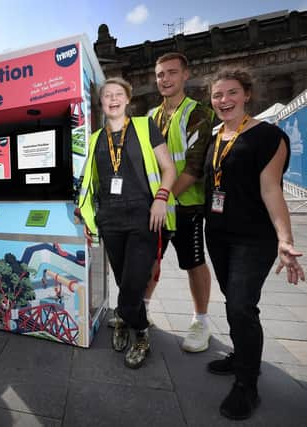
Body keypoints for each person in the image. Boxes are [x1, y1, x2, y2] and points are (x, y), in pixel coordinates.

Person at [204, 69, 304, 420]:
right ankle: (241, 355)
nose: (224, 100)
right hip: (217, 235)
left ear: (247, 94)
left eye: (231, 93)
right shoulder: (214, 137)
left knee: (242, 306)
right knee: (235, 301)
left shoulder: (269, 136)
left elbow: (271, 189)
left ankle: (247, 383)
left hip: (253, 238)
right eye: (217, 95)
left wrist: (285, 240)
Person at [78, 77, 176, 369]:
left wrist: (160, 198)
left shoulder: (146, 127)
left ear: (128, 99)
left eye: (118, 94)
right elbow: (90, 185)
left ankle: (140, 334)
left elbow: (169, 168)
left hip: (143, 218)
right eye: (107, 95)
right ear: (101, 103)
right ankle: (124, 319)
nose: (112, 99)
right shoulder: (96, 138)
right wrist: (86, 216)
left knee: (133, 286)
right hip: (110, 220)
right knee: (123, 281)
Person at [144, 52, 215, 352]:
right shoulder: (150, 117)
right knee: (150, 259)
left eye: (171, 73)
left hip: (186, 205)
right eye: (160, 74)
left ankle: (201, 321)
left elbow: (194, 168)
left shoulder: (198, 113)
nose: (165, 79)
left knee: (194, 262)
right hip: (157, 205)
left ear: (186, 75)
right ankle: (142, 310)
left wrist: (163, 198)